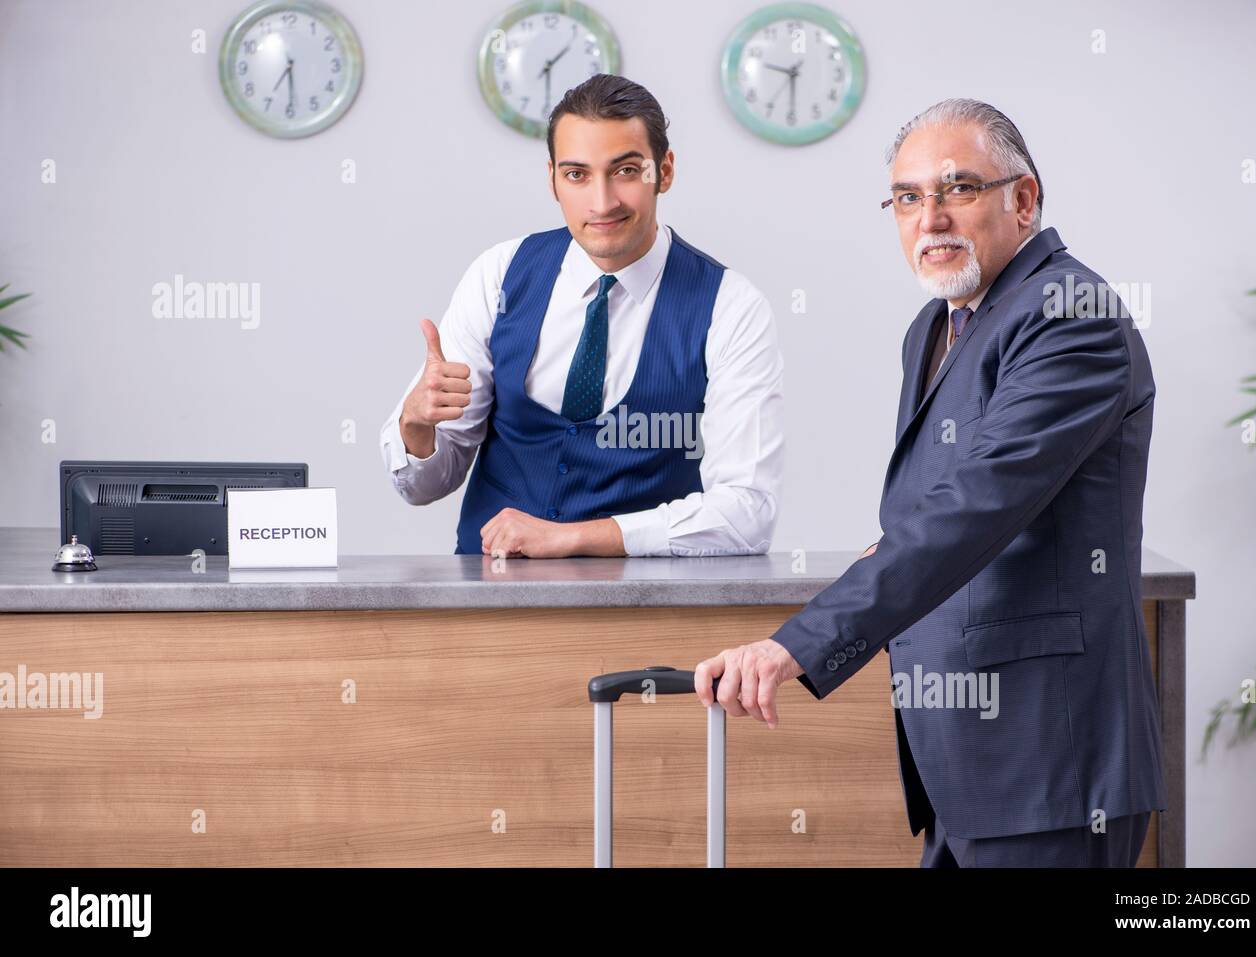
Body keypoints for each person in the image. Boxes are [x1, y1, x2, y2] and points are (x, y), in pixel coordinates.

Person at [695, 98, 1165, 867]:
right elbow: (923, 511)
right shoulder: (941, 323)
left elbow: (973, 508)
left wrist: (799, 646)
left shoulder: (1071, 315)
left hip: (1049, 763)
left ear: (1024, 199)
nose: (931, 217)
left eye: (958, 190)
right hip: (965, 770)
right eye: (908, 197)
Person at [380, 74, 783, 558]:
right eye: (577, 175)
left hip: (648, 608)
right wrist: (415, 426)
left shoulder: (731, 307)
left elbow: (748, 515)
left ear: (665, 171)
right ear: (552, 179)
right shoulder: (499, 275)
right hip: (489, 606)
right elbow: (423, 487)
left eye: (626, 171)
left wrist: (573, 538)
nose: (603, 202)